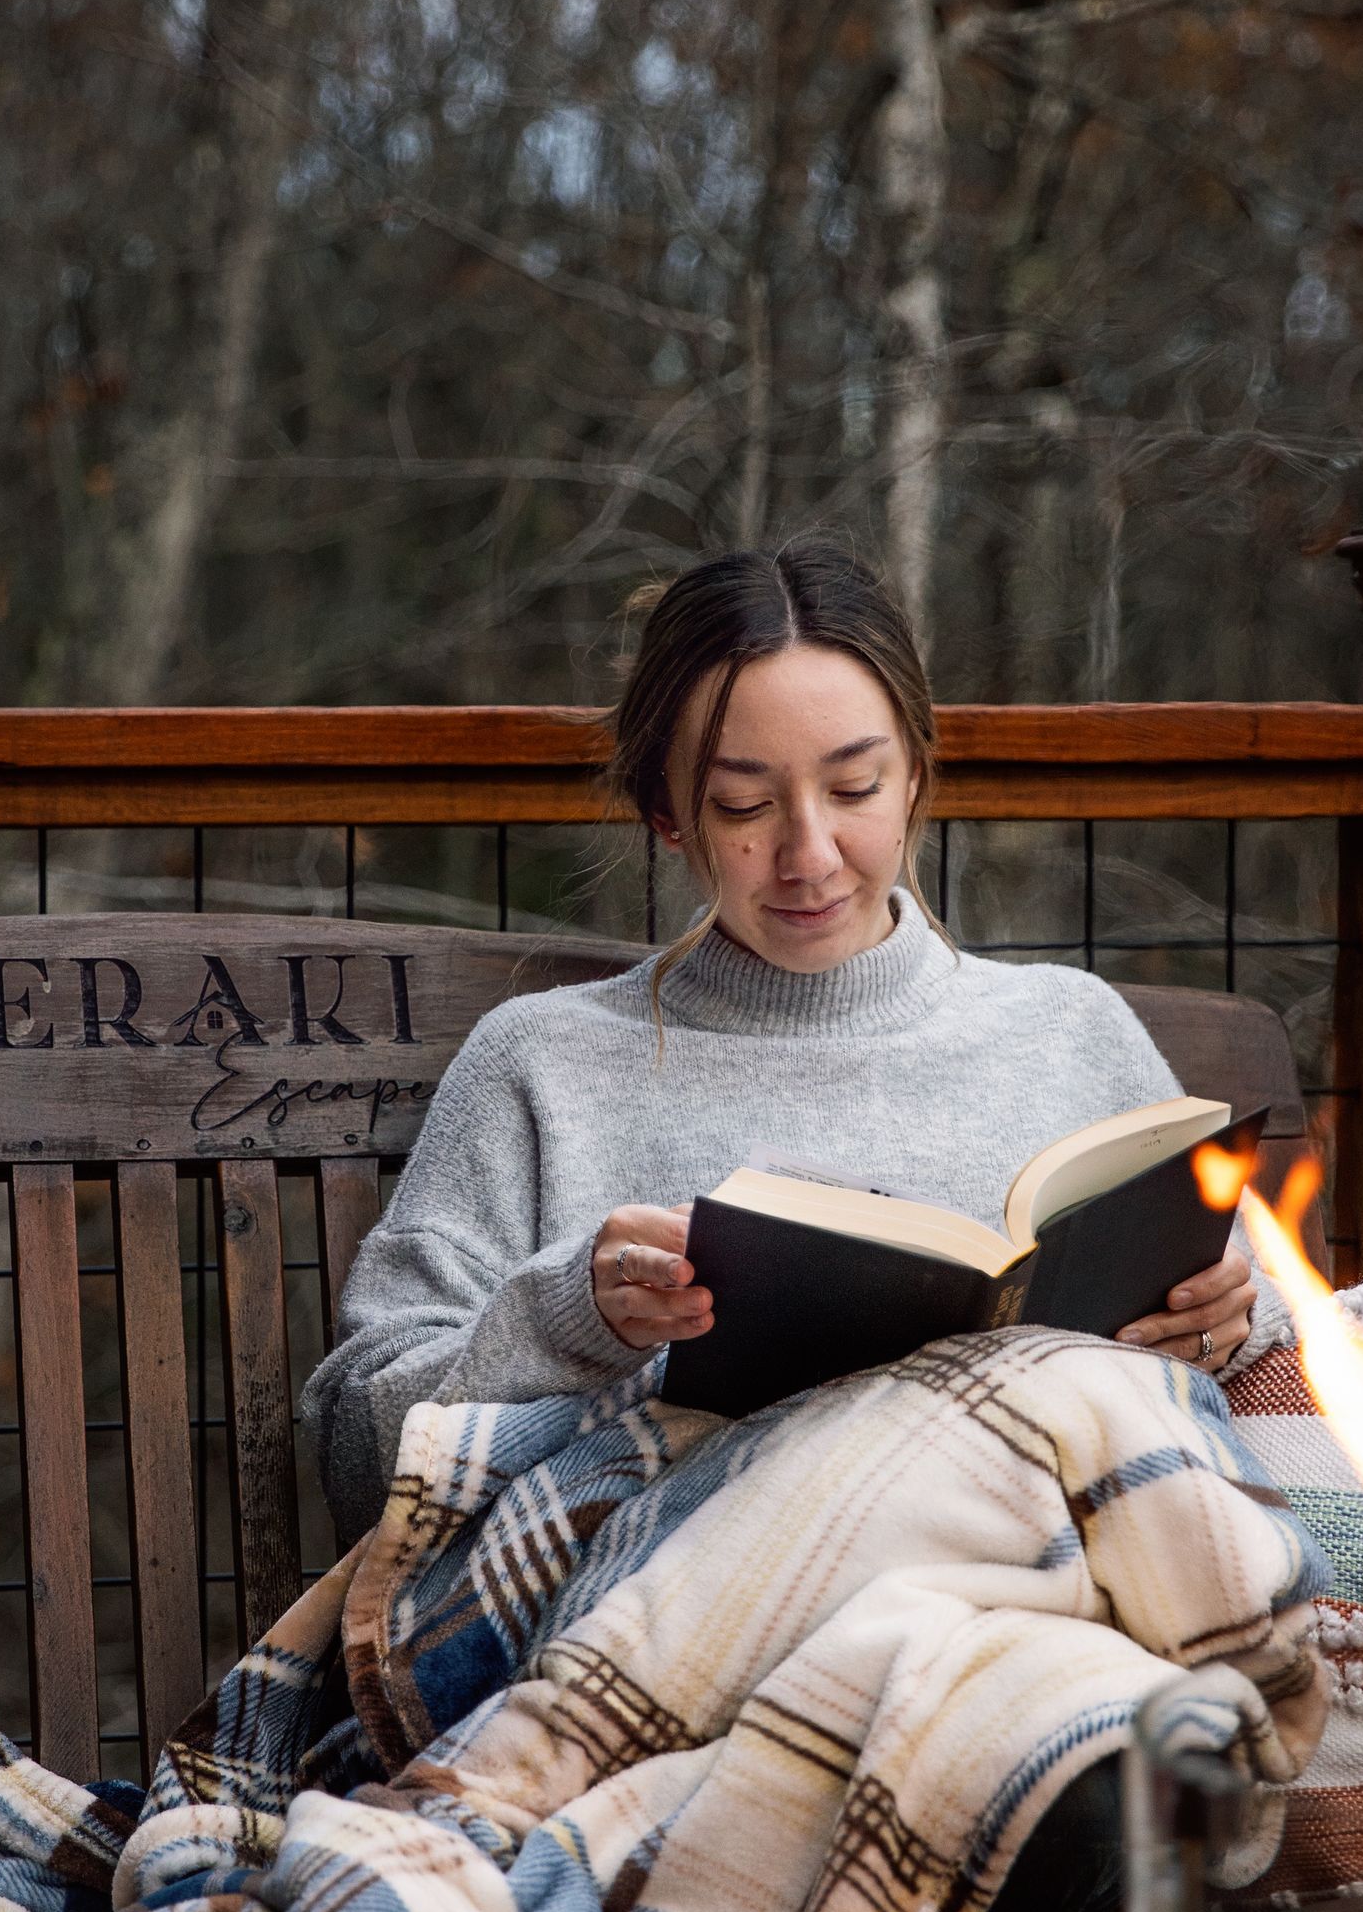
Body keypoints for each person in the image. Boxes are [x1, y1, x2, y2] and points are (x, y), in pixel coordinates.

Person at [304, 534, 1286, 1554]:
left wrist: (1220, 1322)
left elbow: (1253, 1316)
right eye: (743, 806)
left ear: (916, 775)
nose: (808, 855)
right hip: (705, 1605)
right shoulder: (541, 1065)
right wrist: (567, 1315)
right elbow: (353, 1445)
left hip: (1047, 1586)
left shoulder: (1069, 1031)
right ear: (667, 815)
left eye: (855, 788)